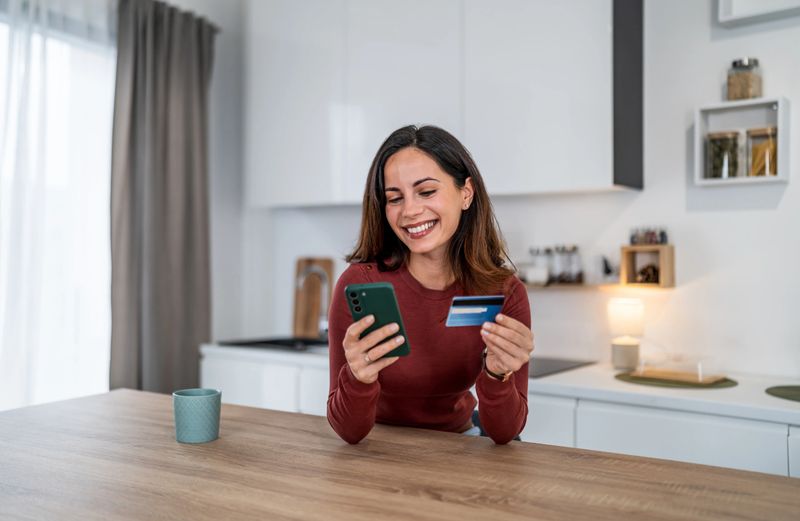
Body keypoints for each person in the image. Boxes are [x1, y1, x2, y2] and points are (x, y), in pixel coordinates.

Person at [327, 125, 534, 445]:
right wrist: (357, 377)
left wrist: (497, 374)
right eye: (395, 198)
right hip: (378, 450)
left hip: (460, 445)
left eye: (426, 192)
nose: (410, 211)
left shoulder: (504, 292)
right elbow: (347, 431)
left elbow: (506, 432)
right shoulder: (359, 284)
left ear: (466, 193)